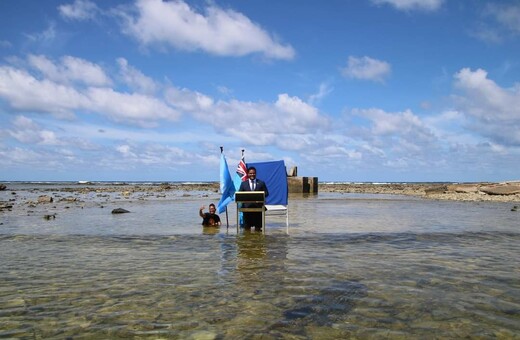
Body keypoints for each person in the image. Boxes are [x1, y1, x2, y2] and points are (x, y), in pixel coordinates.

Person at [239, 166, 269, 230]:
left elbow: (266, 193)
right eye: (250, 173)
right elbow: (240, 194)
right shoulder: (243, 184)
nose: (252, 174)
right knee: (247, 229)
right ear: (248, 174)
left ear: (255, 173)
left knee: (258, 229)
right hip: (247, 209)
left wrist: (259, 197)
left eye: (253, 173)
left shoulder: (261, 183)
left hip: (258, 208)